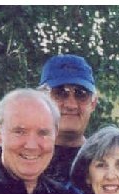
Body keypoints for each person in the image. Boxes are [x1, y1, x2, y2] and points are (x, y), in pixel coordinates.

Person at [38, 54, 98, 185]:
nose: (71, 105)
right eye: (60, 93)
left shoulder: (104, 162)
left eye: (81, 94)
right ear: (42, 99)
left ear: (93, 103)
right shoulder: (21, 156)